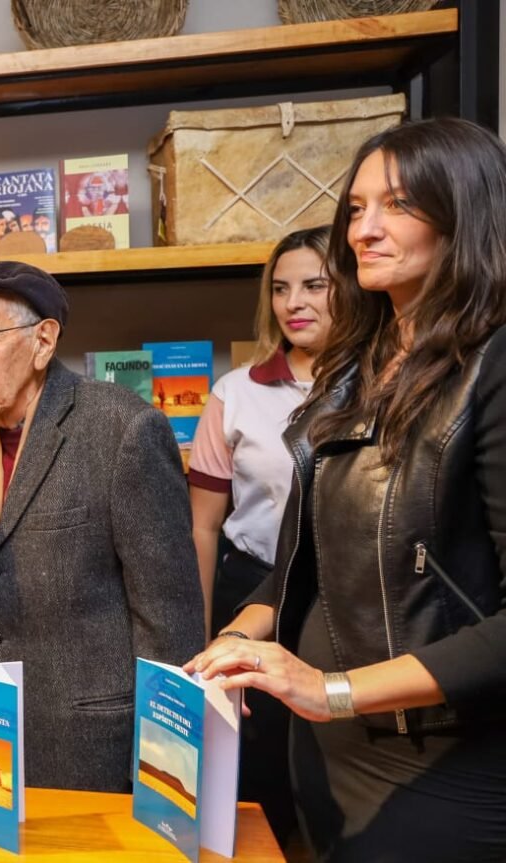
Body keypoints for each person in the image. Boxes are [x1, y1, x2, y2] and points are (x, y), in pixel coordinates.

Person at [188, 118, 506, 861]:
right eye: (355, 209)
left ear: (465, 212)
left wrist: (331, 690)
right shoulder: (352, 372)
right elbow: (306, 564)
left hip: (435, 763)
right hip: (328, 753)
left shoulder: (493, 368)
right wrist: (239, 637)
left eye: (396, 205)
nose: (364, 229)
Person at [0, 260, 202, 792]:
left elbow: (170, 621)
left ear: (43, 341)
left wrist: (168, 771)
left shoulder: (124, 432)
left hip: (85, 748)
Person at [187, 226, 330, 849]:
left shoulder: (388, 381)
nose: (294, 302)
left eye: (314, 285)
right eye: (281, 289)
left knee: (333, 763)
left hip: (345, 597)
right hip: (253, 595)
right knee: (261, 769)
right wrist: (199, 628)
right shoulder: (233, 394)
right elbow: (203, 524)